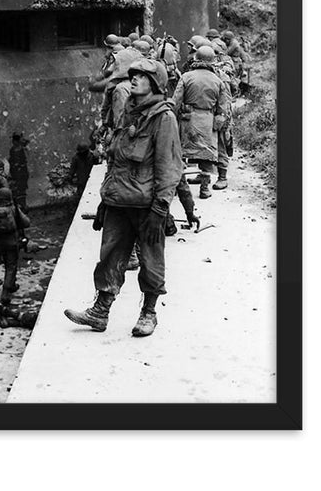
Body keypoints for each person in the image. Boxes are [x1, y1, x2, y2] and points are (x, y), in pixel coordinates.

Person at [64, 58, 181, 338]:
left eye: (142, 76)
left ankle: (148, 313)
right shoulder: (128, 112)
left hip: (146, 205)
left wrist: (160, 209)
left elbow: (169, 167)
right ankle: (100, 312)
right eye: (134, 74)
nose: (134, 79)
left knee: (151, 261)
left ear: (155, 83)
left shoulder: (164, 118)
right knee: (110, 257)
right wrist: (105, 200)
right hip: (119, 201)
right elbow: (115, 160)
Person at [170, 45, 231, 199]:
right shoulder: (218, 80)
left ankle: (179, 187)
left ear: (196, 58)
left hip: (188, 120)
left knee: (182, 154)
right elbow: (222, 107)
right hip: (208, 121)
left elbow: (176, 101)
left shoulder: (186, 77)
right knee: (206, 154)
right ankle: (204, 189)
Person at [0, 187, 30, 312]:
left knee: (7, 264)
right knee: (12, 265)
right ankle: (5, 292)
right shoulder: (12, 209)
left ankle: (12, 285)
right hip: (12, 241)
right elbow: (26, 223)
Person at [8, 134, 30, 212]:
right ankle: (21, 206)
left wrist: (16, 165)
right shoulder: (14, 149)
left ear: (15, 141)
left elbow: (22, 161)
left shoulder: (19, 150)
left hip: (20, 173)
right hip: (17, 173)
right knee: (18, 190)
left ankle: (22, 206)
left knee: (21, 190)